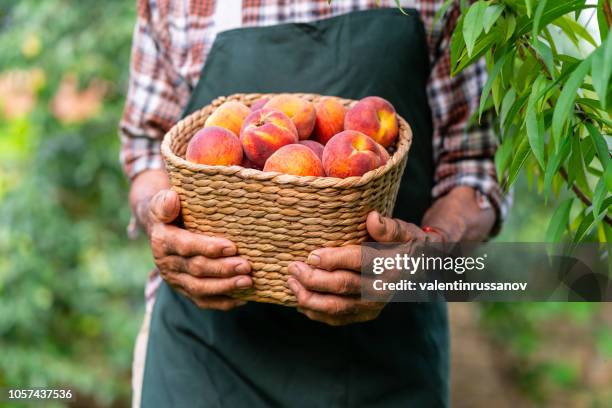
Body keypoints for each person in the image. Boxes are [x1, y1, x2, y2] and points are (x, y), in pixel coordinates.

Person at [120, 1, 508, 406]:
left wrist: (431, 252)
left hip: (387, 354)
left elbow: (475, 165)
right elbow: (147, 149)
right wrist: (158, 218)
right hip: (204, 354)